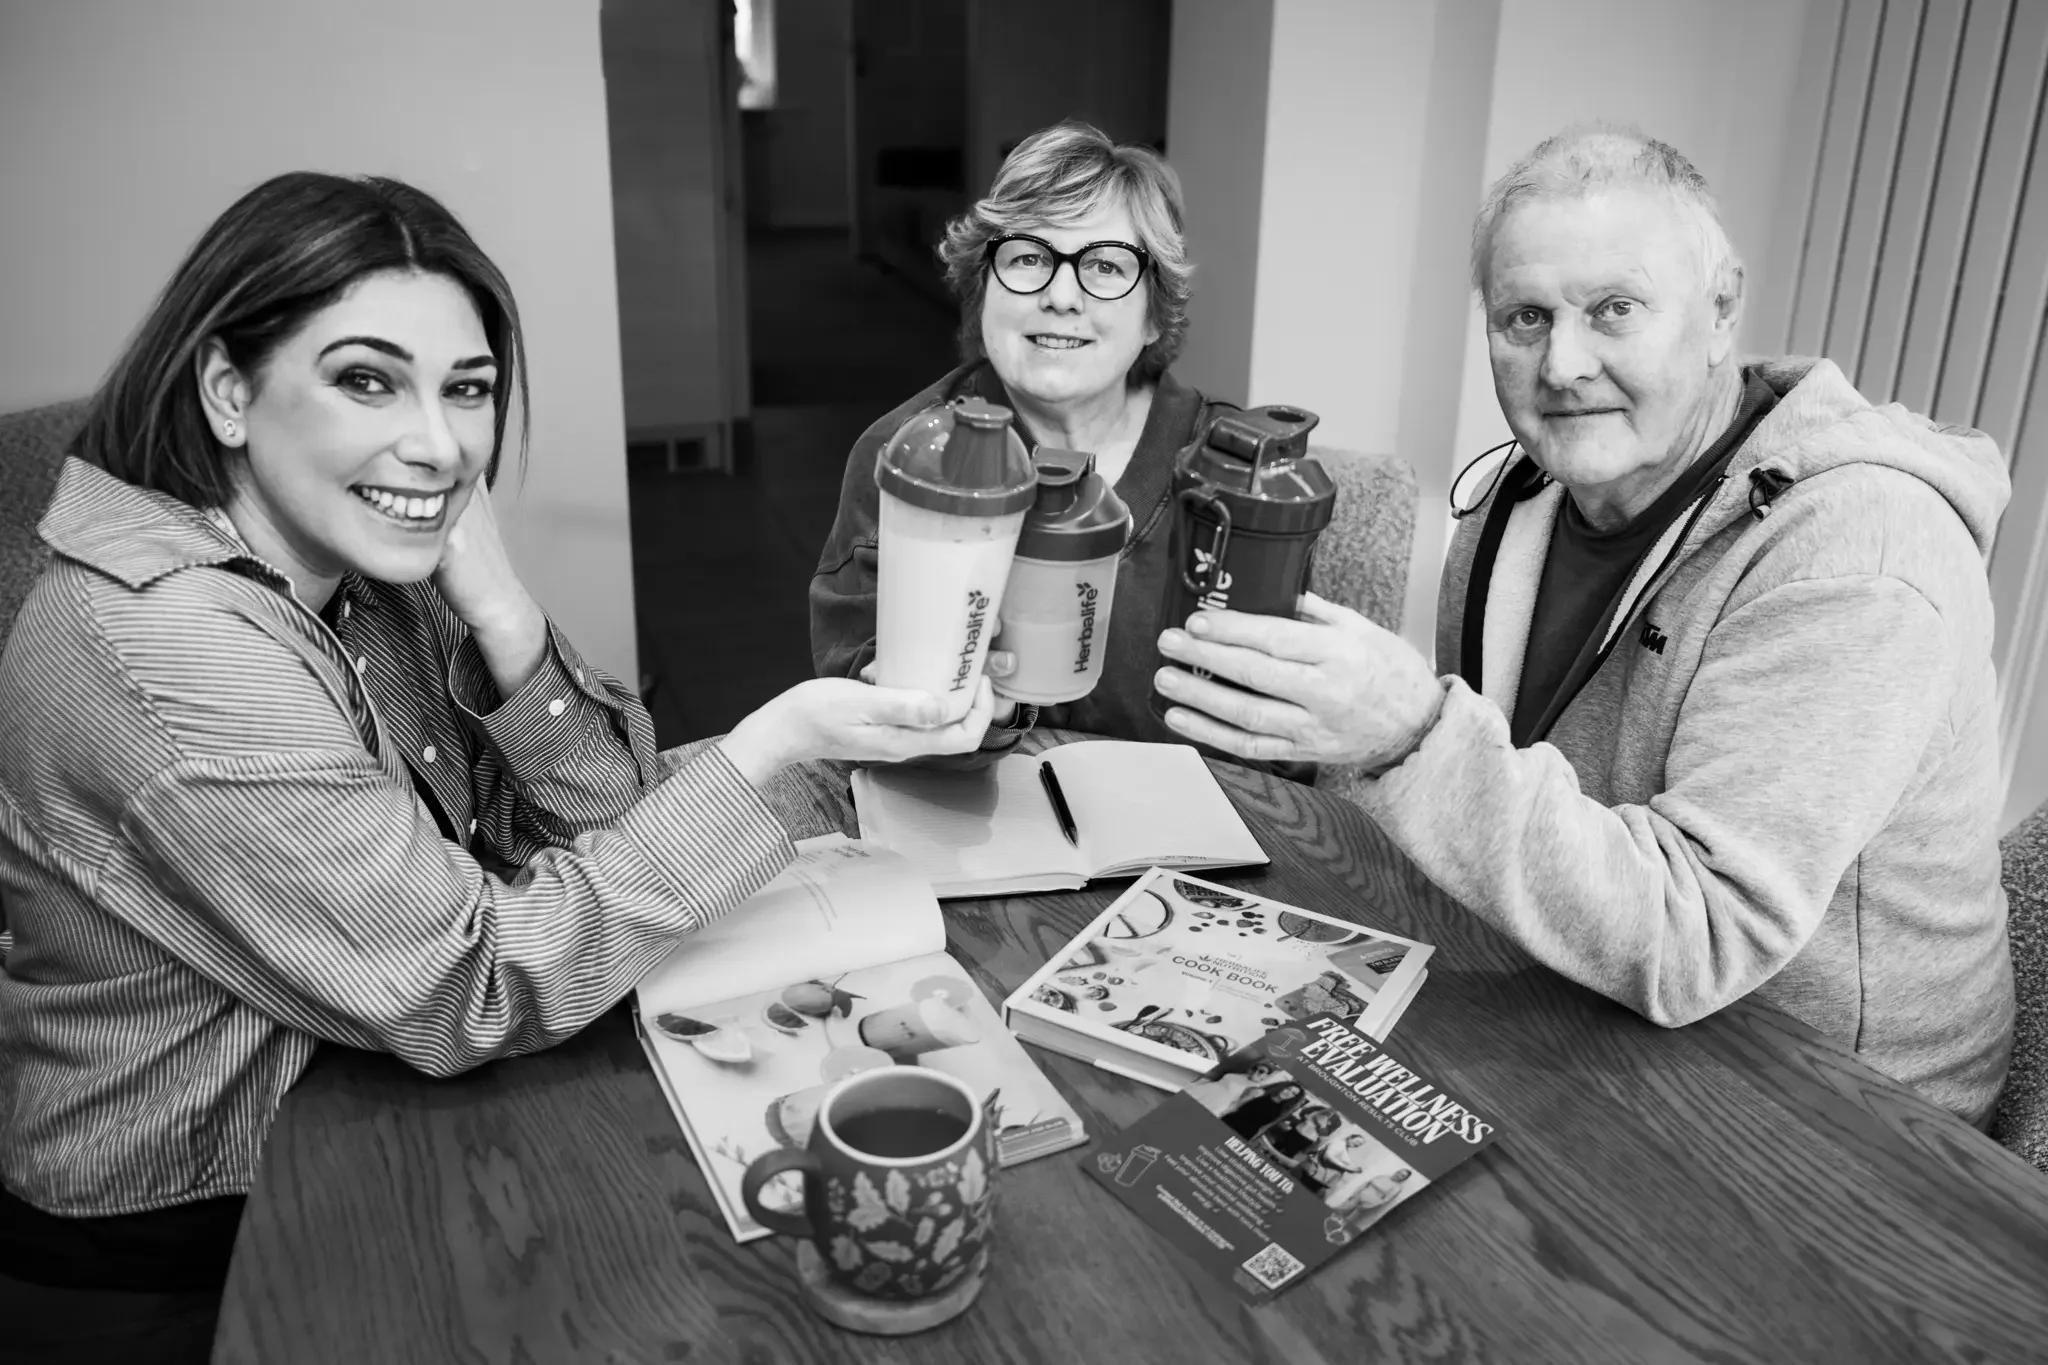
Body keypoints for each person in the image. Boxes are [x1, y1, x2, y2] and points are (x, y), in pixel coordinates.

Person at [0, 172, 991, 1363]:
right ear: (227, 388)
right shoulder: (168, 653)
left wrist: (509, 621)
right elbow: (467, 982)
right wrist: (769, 751)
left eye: (466, 390)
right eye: (365, 380)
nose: (438, 446)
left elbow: (600, 824)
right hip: (188, 1240)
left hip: (366, 1121)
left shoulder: (357, 561)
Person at [1153, 125, 2015, 1126]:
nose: (1562, 364)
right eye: (1523, 318)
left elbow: (1697, 937)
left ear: (1719, 307)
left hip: (1845, 1123)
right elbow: (1509, 826)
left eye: (1613, 310)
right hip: (1586, 1009)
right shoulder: (1519, 503)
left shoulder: (1860, 553)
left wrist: (1407, 735)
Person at [808, 121, 1308, 780]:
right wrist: (953, 716)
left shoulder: (1237, 483)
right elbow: (861, 725)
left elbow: (1279, 741)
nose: (1061, 295)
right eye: (1027, 258)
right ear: (981, 285)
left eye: (1104, 266)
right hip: (962, 829)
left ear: (1154, 311)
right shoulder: (904, 459)